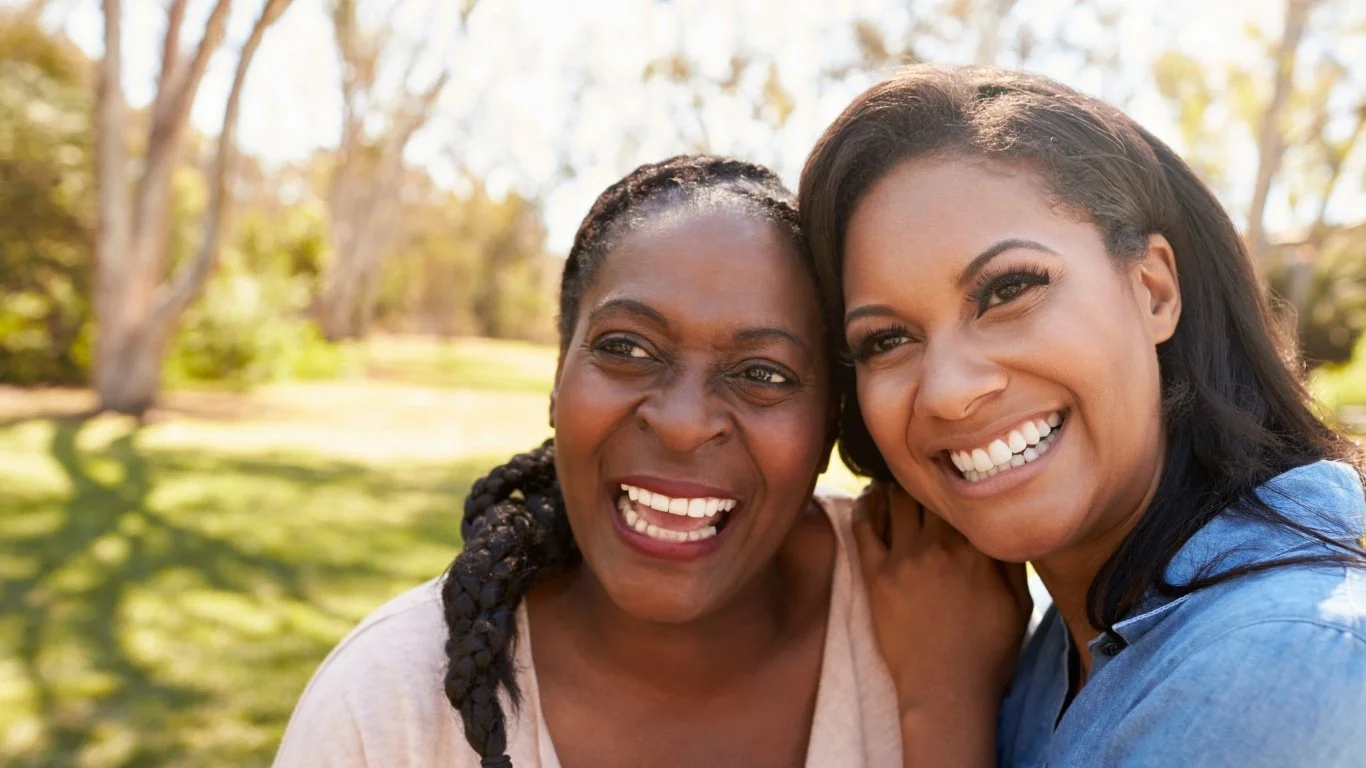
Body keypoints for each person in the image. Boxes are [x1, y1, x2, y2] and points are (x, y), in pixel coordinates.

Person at [274, 154, 1024, 768]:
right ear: (558, 376)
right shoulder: (385, 712)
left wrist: (944, 704)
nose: (682, 422)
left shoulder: (943, 616)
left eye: (763, 373)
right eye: (627, 349)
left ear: (832, 421)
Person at [798, 66, 1366, 767]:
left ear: (1153, 289)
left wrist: (942, 707)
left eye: (1008, 290)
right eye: (886, 340)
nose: (947, 391)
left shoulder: (1276, 664)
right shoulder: (1068, 639)